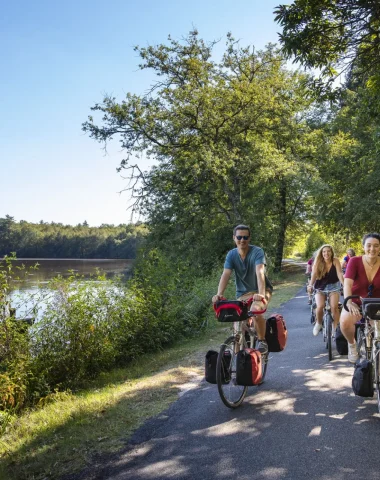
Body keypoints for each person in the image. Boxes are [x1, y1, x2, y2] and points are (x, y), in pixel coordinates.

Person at [212, 224, 273, 355]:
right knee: (237, 326)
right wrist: (219, 294)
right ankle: (237, 359)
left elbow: (260, 273)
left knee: (255, 311)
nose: (242, 240)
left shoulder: (257, 252)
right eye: (239, 237)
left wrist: (261, 294)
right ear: (234, 238)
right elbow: (226, 274)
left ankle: (262, 341)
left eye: (245, 237)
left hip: (261, 290)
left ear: (249, 238)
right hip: (243, 293)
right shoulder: (231, 255)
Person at [340, 233, 380, 363]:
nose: (372, 249)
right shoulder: (354, 261)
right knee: (345, 321)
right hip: (356, 302)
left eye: (376, 246)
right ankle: (352, 345)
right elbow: (347, 284)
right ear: (363, 247)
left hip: (377, 304)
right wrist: (349, 302)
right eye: (369, 245)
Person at [307, 244, 344, 337]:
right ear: (321, 253)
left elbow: (339, 273)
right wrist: (310, 285)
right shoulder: (318, 261)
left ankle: (336, 329)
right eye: (324, 251)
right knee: (320, 306)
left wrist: (343, 283)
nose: (326, 253)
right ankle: (318, 323)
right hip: (320, 287)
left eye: (328, 251)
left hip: (334, 287)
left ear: (331, 252)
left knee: (334, 307)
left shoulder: (335, 261)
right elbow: (314, 274)